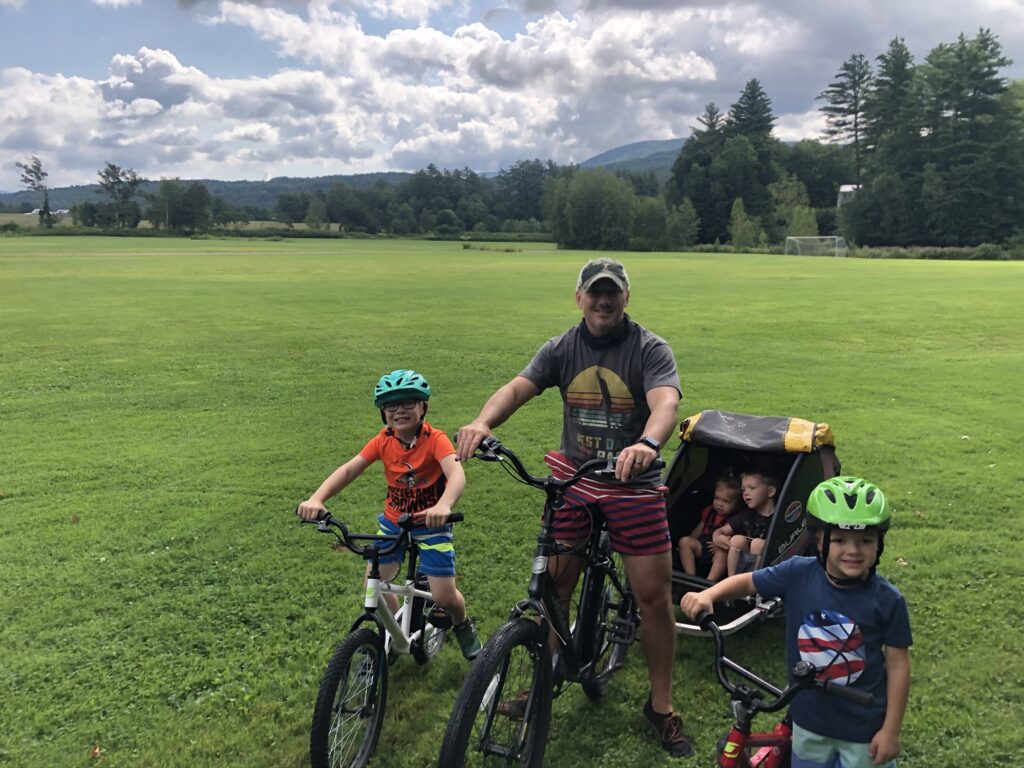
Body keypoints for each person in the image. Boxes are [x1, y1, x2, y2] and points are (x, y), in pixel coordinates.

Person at [456, 258, 693, 757]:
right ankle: (542, 680)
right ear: (579, 297)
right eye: (594, 293)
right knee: (552, 591)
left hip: (634, 484)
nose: (603, 301)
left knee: (653, 598)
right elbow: (520, 387)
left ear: (626, 297)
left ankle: (662, 706)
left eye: (612, 292)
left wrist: (648, 442)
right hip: (577, 480)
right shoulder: (563, 347)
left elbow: (666, 400)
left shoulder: (649, 348)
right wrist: (482, 422)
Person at [681, 476, 912, 768]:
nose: (853, 550)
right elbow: (750, 582)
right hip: (808, 722)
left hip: (863, 729)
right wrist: (710, 594)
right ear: (818, 540)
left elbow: (898, 665)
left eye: (865, 540)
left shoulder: (888, 601)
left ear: (879, 542)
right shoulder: (798, 574)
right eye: (839, 539)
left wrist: (891, 730)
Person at [296, 369, 482, 661]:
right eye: (391, 405)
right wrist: (317, 498)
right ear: (383, 412)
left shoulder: (436, 440)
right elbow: (349, 469)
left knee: (444, 596)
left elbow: (456, 473)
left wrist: (444, 505)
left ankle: (462, 623)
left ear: (423, 407)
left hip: (431, 525)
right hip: (394, 524)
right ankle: (396, 630)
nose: (399, 411)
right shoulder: (383, 441)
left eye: (408, 403)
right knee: (375, 584)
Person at [711, 467, 778, 576]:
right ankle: (732, 581)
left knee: (757, 544)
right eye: (743, 490)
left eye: (751, 488)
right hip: (746, 563)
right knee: (737, 540)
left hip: (771, 566)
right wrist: (717, 537)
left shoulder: (780, 515)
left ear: (770, 491)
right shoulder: (746, 514)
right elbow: (721, 531)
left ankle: (753, 585)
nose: (746, 493)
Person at [677, 470, 742, 581]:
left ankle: (708, 582)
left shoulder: (736, 519)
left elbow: (736, 541)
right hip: (703, 546)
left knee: (721, 555)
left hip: (719, 551)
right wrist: (692, 539)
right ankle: (690, 577)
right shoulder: (709, 511)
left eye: (726, 501)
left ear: (737, 504)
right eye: (717, 498)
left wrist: (723, 543)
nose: (719, 504)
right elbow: (700, 527)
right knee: (684, 541)